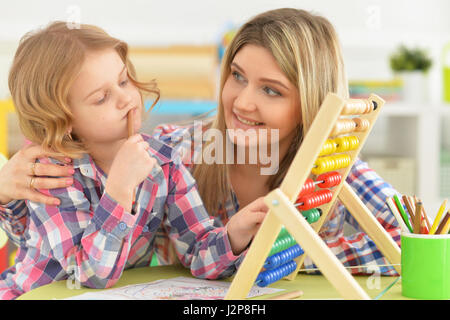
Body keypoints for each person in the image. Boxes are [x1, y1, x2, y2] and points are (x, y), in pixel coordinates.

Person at [1, 8, 400, 278]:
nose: (242, 103)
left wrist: (285, 257)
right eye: (238, 76)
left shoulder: (330, 165)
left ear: (309, 106)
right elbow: (54, 247)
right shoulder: (177, 152)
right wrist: (8, 195)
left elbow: (415, 245)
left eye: (272, 91)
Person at [0, 21, 267, 300]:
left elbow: (197, 251)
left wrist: (234, 235)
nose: (126, 98)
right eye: (102, 97)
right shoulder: (53, 173)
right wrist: (119, 190)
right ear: (63, 120)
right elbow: (89, 275)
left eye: (124, 81)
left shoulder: (163, 163)